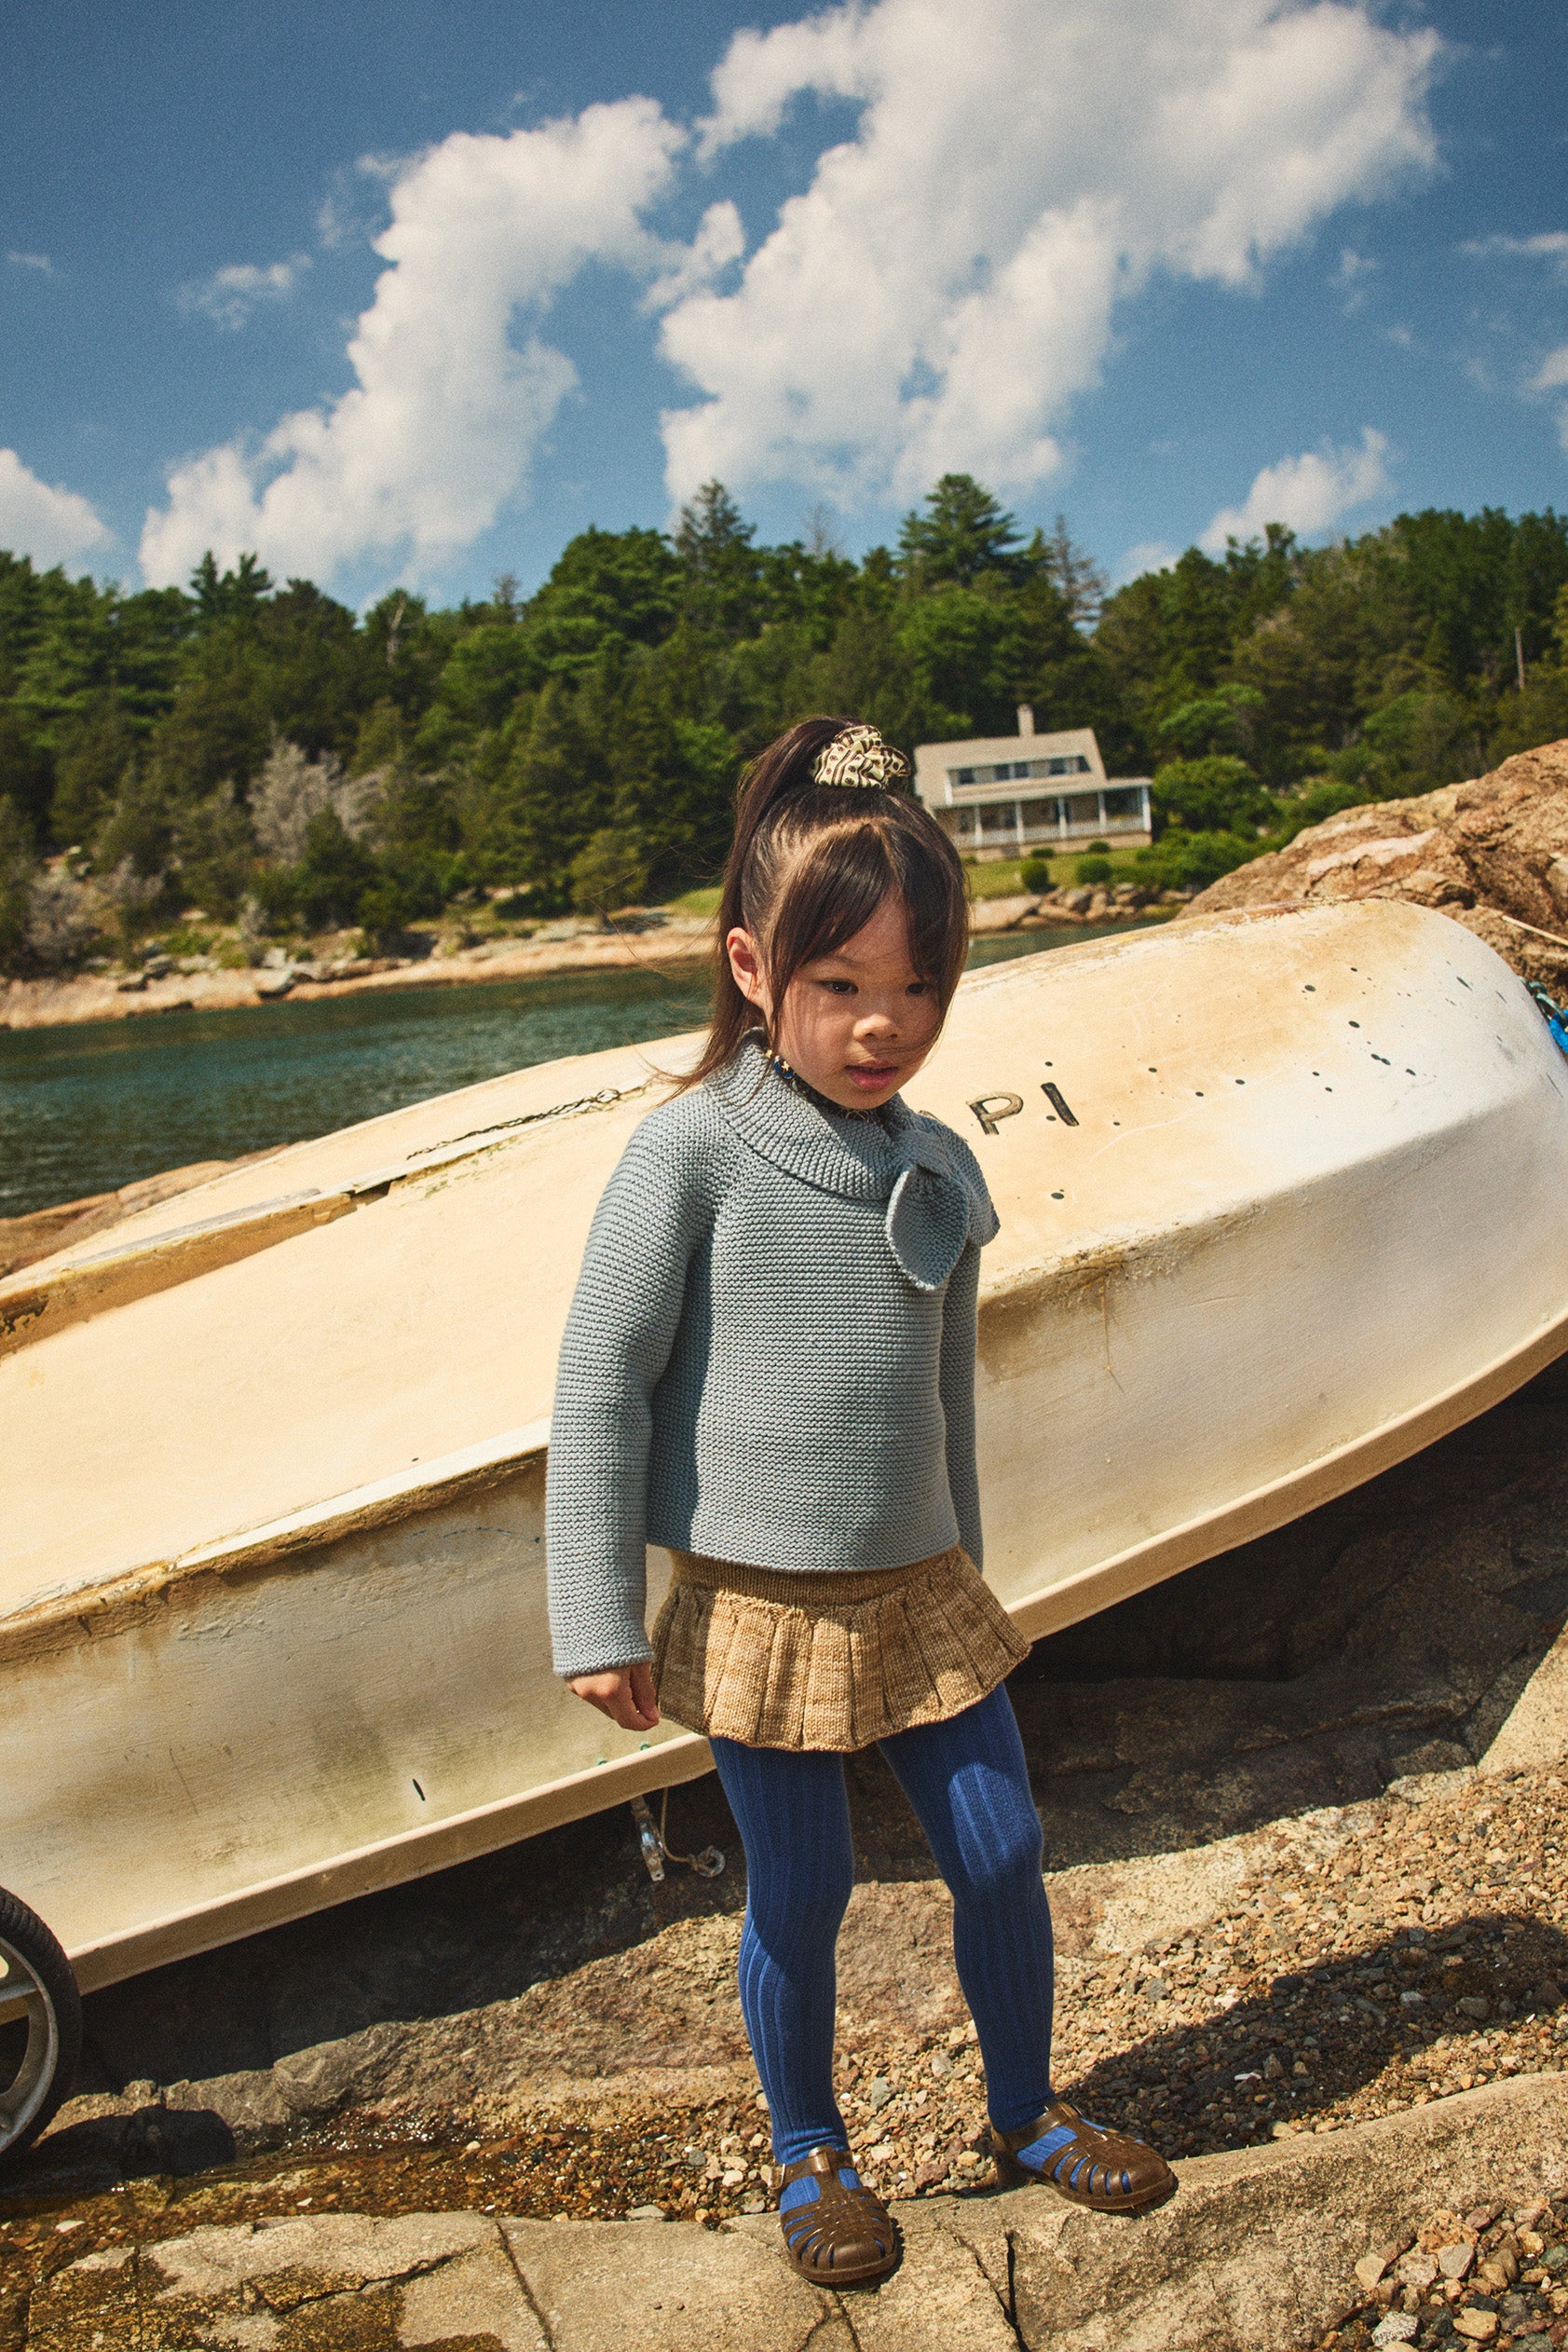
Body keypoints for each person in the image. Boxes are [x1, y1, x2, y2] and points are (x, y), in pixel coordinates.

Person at [546, 716, 1173, 2284]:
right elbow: (601, 1381)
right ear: (753, 969)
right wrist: (594, 1615)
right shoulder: (691, 1152)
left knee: (1003, 1849)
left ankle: (1024, 2110)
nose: (882, 1025)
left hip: (923, 1586)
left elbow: (948, 1393)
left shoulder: (939, 1164)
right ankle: (809, 2149)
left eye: (919, 988)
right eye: (839, 987)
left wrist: (974, 1571)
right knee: (805, 1885)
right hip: (758, 1599)